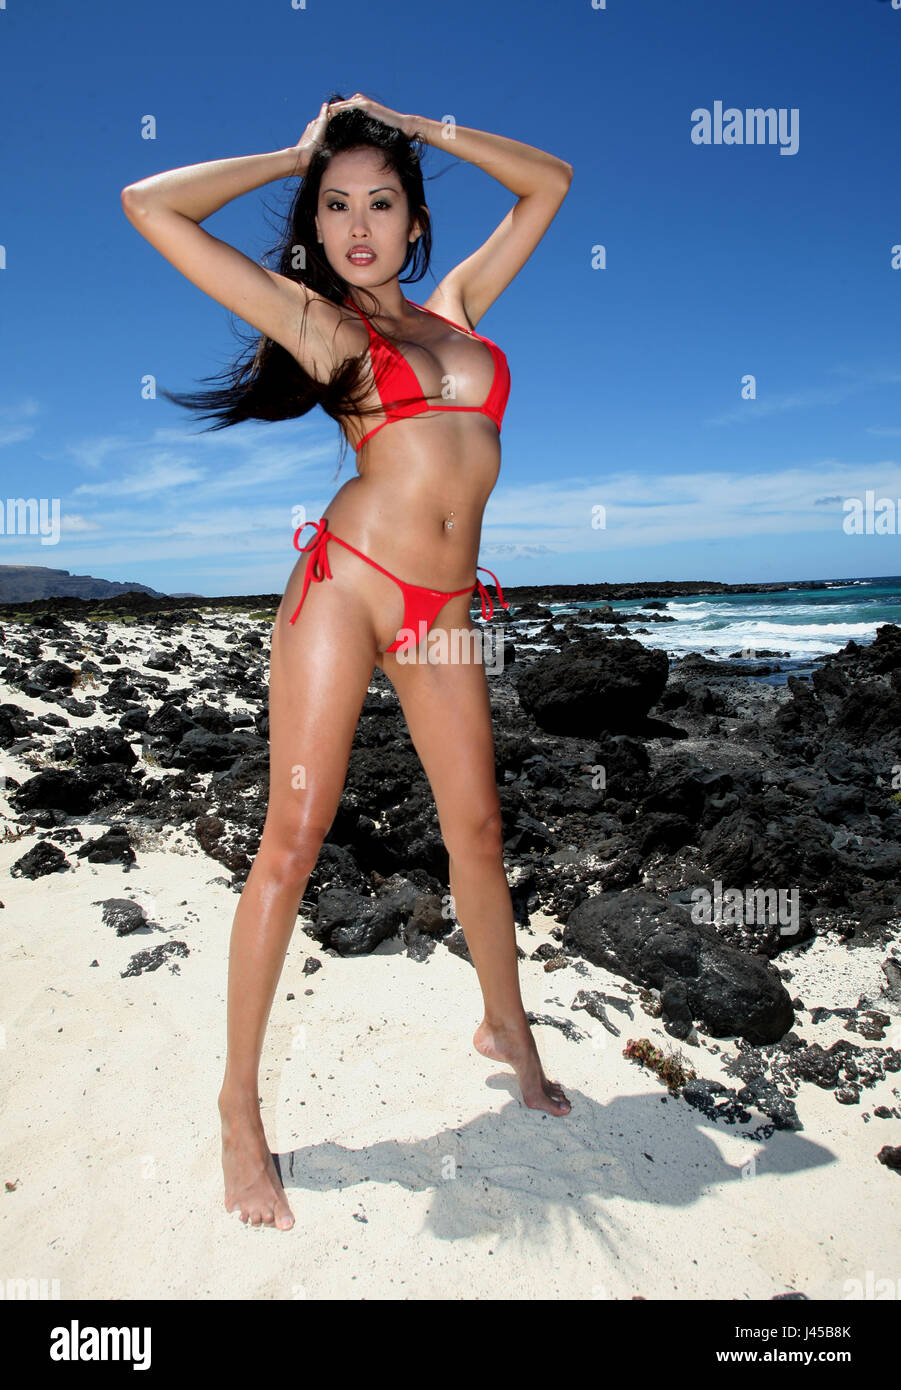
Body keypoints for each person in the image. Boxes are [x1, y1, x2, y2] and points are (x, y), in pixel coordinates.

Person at [120, 93, 574, 1232]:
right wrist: (292, 149)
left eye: (380, 202)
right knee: (291, 840)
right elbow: (149, 205)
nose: (357, 224)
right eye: (334, 206)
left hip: (448, 605)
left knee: (476, 829)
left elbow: (550, 184)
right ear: (314, 228)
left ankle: (503, 1023)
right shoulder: (321, 327)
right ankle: (238, 1108)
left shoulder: (461, 309)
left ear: (414, 224)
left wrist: (422, 123)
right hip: (346, 586)